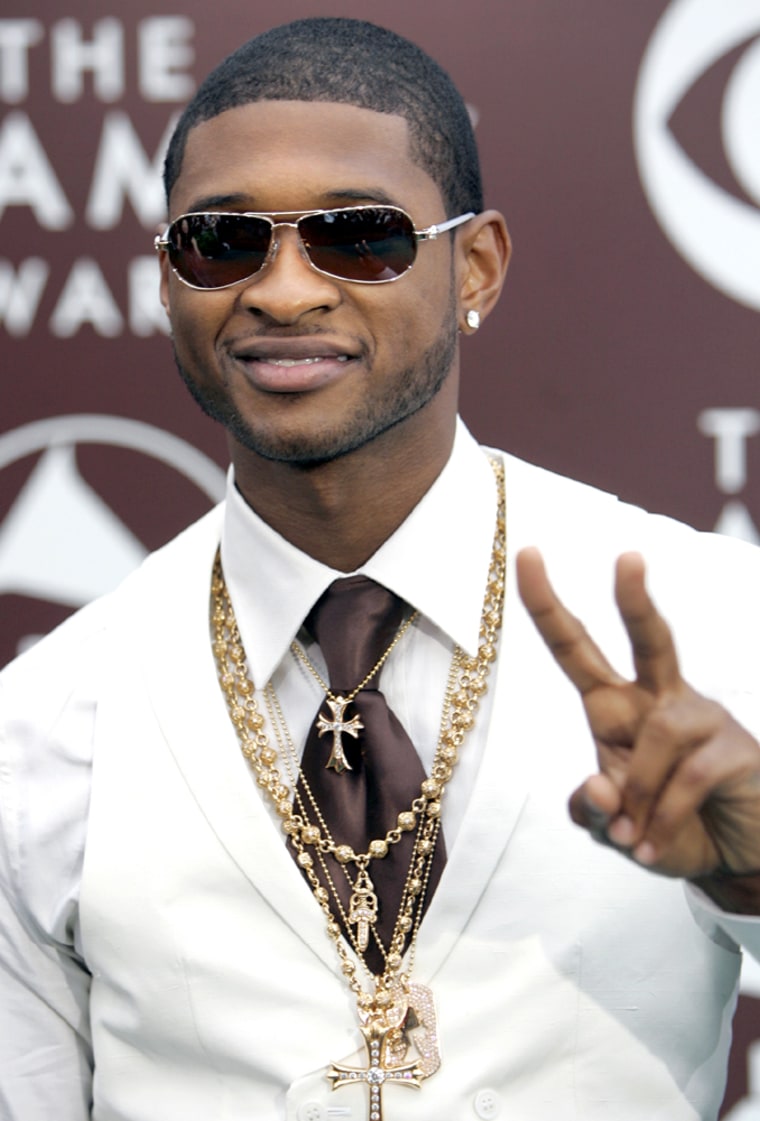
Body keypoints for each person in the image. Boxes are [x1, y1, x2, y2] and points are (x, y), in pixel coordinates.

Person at [1, 16, 760, 1121]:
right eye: (223, 240)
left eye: (359, 236)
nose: (284, 290)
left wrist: (748, 878)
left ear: (477, 264)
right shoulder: (42, 720)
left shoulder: (716, 622)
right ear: (168, 280)